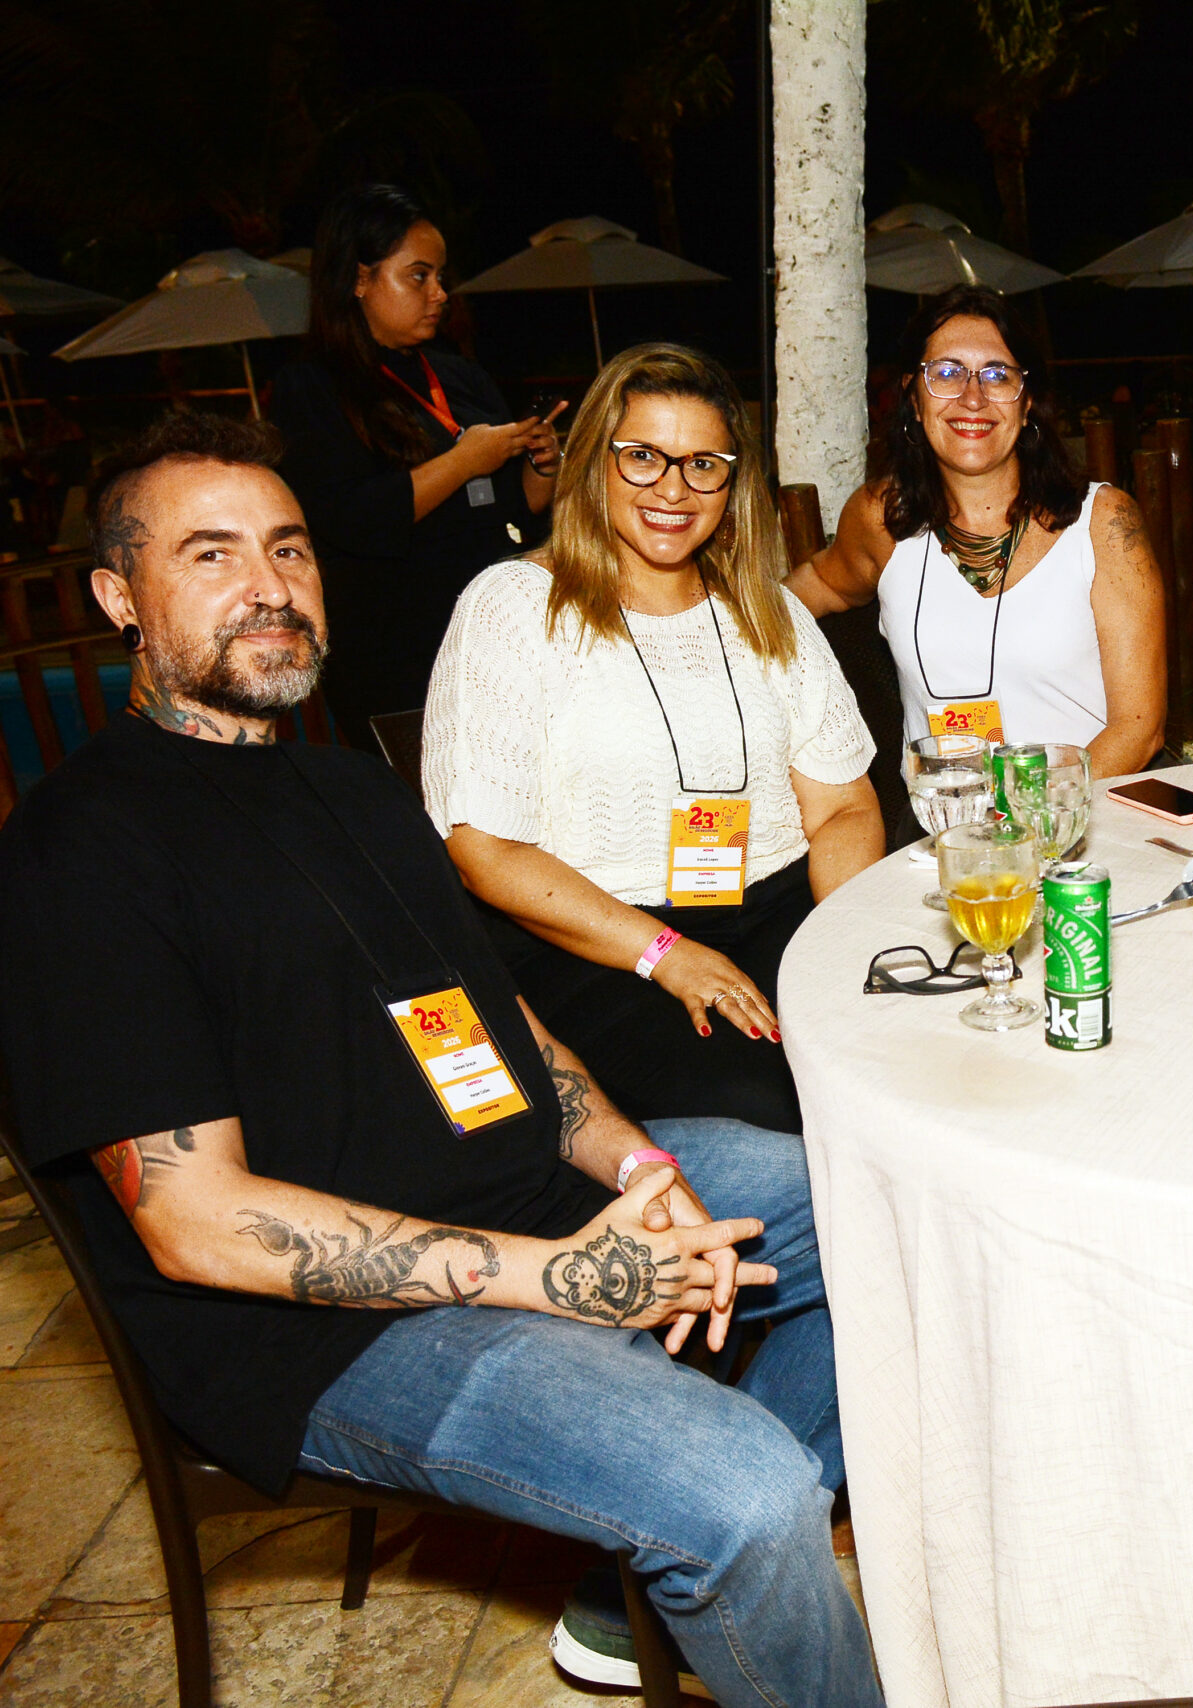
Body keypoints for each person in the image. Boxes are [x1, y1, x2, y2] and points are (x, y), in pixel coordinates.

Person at [0, 413, 879, 1706]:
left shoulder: (353, 791)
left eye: (290, 548)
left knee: (898, 1213)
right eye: (211, 553)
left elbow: (512, 1031)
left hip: (521, 1194)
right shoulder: (79, 851)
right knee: (740, 1493)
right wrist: (557, 1278)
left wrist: (636, 1165)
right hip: (330, 1330)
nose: (270, 584)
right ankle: (723, 1530)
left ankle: (659, 1583)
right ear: (118, 597)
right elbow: (195, 1223)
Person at [425, 344, 886, 1136]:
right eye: (642, 457)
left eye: (703, 464)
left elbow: (844, 808)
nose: (673, 489)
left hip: (782, 914)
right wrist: (665, 952)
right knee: (778, 1099)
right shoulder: (513, 607)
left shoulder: (769, 611)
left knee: (896, 1056)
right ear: (594, 462)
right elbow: (484, 850)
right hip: (601, 946)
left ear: (732, 483)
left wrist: (846, 947)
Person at [790, 284, 1168, 776]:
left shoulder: (1103, 523)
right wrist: (711, 628)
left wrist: (1027, 810)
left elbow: (1139, 730)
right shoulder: (882, 518)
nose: (973, 398)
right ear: (914, 398)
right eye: (946, 373)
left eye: (997, 375)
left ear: (1026, 402)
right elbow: (819, 585)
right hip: (942, 815)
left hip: (1081, 810)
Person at [270, 183, 564, 741]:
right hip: (398, 655)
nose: (439, 293)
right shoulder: (312, 387)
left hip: (497, 638)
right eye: (418, 276)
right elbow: (351, 519)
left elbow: (513, 512)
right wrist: (464, 460)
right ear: (359, 279)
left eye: (440, 276)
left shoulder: (460, 375)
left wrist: (541, 466)